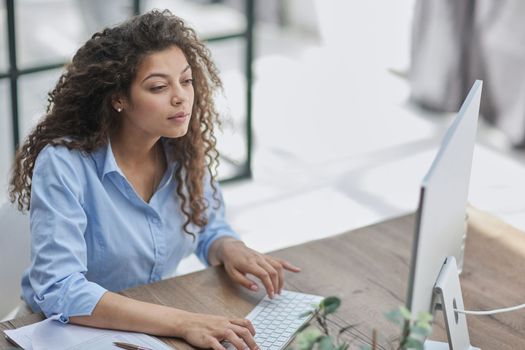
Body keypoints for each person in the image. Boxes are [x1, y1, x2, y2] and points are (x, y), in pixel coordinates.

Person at [8, 9, 300, 350]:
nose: (181, 97)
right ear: (118, 98)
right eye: (159, 86)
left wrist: (230, 247)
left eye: (186, 80)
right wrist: (183, 321)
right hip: (62, 332)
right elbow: (61, 289)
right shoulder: (64, 164)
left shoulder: (183, 150)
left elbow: (207, 226)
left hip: (149, 326)